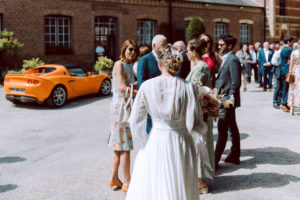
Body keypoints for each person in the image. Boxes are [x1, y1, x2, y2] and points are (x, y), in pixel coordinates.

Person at [126, 44, 208, 200]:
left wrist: (144, 142)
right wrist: (201, 131)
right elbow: (196, 122)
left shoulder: (146, 86)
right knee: (179, 183)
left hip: (155, 140)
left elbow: (135, 120)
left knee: (154, 186)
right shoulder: (188, 87)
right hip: (180, 140)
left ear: (159, 63)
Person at [108, 40, 139, 193]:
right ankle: (127, 182)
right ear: (124, 49)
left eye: (134, 50)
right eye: (130, 49)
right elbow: (121, 87)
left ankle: (114, 178)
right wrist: (139, 93)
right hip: (120, 109)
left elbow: (129, 84)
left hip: (124, 107)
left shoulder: (130, 66)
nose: (132, 53)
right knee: (125, 147)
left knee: (118, 147)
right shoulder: (119, 64)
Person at [185, 38, 214, 194]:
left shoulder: (201, 68)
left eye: (188, 50)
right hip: (195, 111)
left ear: (195, 51)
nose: (186, 53)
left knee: (199, 145)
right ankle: (197, 178)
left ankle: (201, 182)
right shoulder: (197, 66)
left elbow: (194, 90)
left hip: (199, 113)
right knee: (196, 145)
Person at [214, 34, 241, 170]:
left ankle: (215, 160)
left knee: (222, 129)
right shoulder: (225, 58)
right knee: (232, 127)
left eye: (221, 44)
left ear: (229, 46)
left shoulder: (232, 60)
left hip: (227, 101)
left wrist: (228, 99)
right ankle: (235, 155)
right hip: (224, 99)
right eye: (218, 44)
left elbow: (236, 83)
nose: (219, 46)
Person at [137, 34, 167, 133]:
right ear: (154, 46)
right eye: (163, 44)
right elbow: (141, 82)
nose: (165, 46)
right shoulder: (144, 60)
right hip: (152, 102)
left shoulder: (166, 59)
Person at [280, 36, 294, 112]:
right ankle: (284, 104)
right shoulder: (288, 49)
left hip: (283, 70)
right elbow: (292, 59)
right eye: (291, 42)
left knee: (284, 87)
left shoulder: (283, 49)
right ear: (288, 42)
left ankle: (284, 103)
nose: (292, 43)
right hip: (286, 71)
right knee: (286, 87)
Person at [287, 45, 300, 115]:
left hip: (295, 71)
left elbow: (291, 63)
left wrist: (290, 72)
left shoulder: (294, 52)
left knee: (293, 89)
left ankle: (292, 108)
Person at [272, 41, 284, 109]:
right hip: (278, 71)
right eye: (282, 46)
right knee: (278, 86)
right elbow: (273, 61)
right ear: (280, 46)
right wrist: (280, 65)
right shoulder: (278, 53)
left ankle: (279, 101)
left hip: (282, 71)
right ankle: (275, 101)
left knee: (281, 86)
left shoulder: (283, 53)